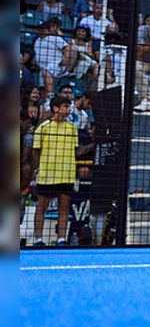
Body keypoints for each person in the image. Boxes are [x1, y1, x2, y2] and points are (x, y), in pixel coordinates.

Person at [30, 96, 85, 246]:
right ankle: (38, 239)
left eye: (69, 107)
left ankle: (61, 239)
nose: (68, 110)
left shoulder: (72, 128)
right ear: (55, 108)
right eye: (65, 107)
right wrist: (37, 169)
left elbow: (76, 151)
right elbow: (36, 151)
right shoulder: (43, 128)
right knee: (42, 206)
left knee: (64, 206)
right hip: (47, 173)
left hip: (66, 173)